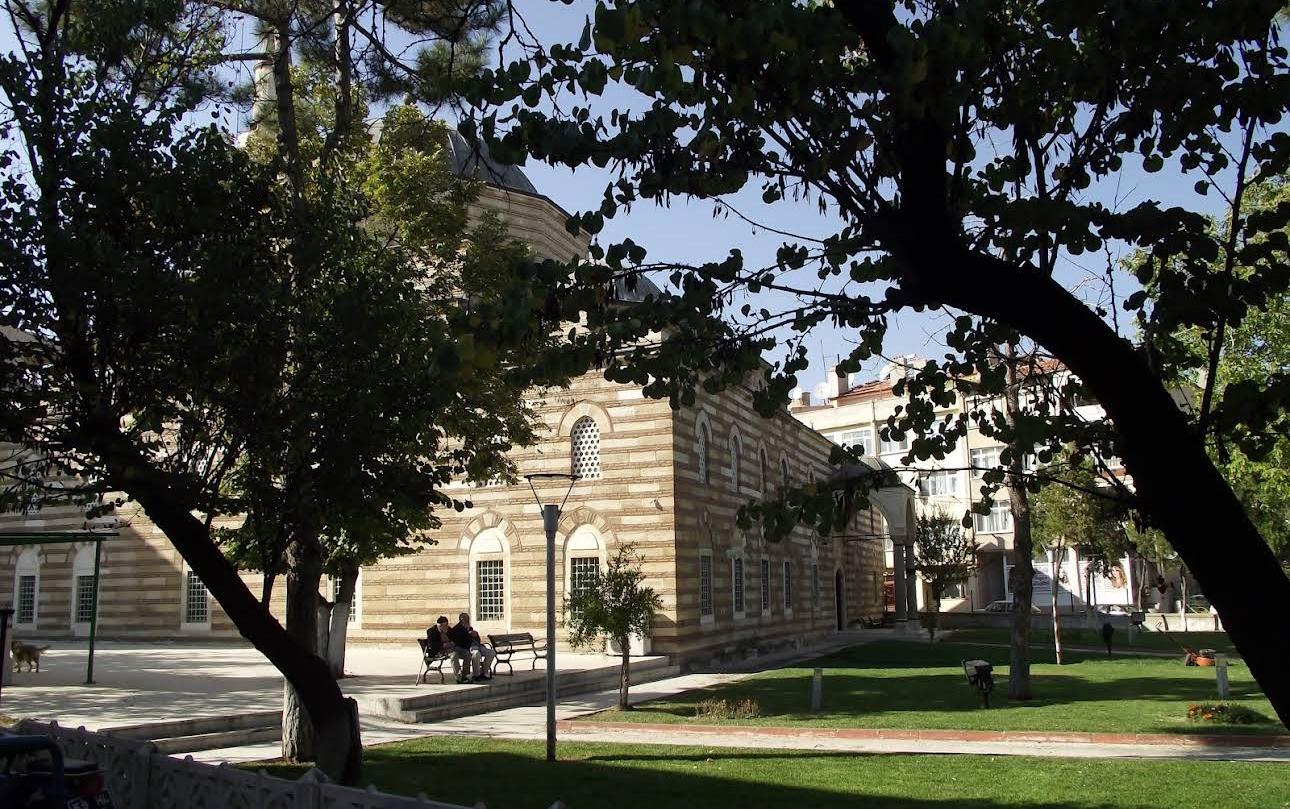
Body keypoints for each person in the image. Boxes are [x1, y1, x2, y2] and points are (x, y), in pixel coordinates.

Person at [448, 612, 496, 682]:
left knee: (491, 652)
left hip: (477, 646)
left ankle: (484, 672)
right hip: (468, 648)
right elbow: (459, 642)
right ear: (461, 619)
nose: (468, 620)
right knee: (476, 654)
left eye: (468, 618)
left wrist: (476, 636)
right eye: (466, 618)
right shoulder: (456, 629)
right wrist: (468, 635)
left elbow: (478, 640)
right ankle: (476, 675)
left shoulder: (470, 627)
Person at [426, 616, 462, 680]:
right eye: (444, 626)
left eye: (446, 625)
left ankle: (465, 674)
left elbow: (455, 638)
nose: (446, 627)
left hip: (451, 648)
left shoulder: (449, 629)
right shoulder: (431, 631)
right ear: (439, 625)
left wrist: (452, 642)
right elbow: (432, 645)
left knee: (466, 653)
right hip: (439, 651)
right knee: (454, 655)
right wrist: (443, 645)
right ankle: (458, 677)